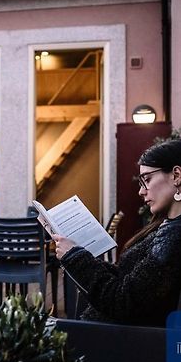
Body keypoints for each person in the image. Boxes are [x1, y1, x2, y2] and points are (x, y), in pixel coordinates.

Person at [53, 138, 181, 327]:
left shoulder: (172, 238)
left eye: (147, 180)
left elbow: (122, 302)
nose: (140, 191)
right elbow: (129, 279)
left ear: (177, 175)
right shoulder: (167, 226)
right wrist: (79, 255)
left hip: (117, 342)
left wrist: (76, 257)